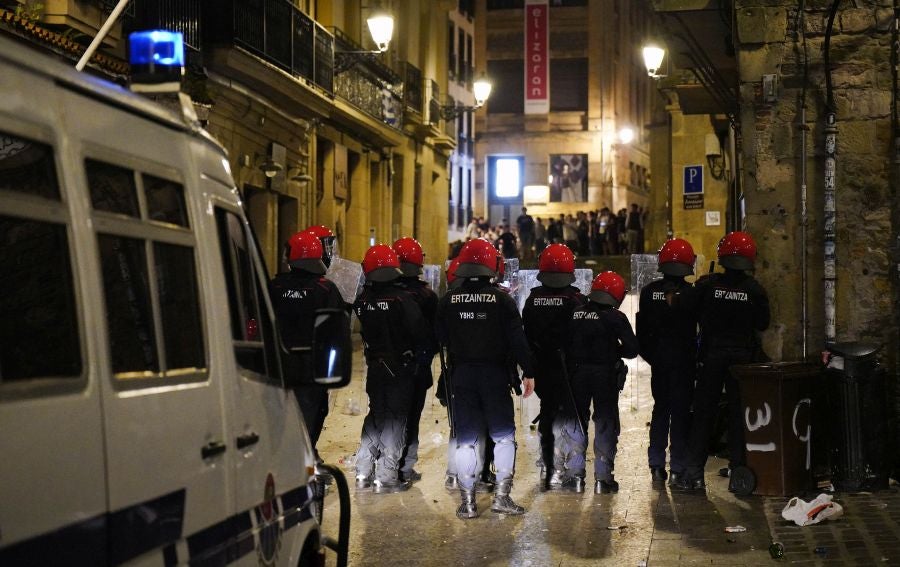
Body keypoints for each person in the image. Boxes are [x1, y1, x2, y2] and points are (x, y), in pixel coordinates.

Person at [436, 238, 536, 519]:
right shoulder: (502, 300)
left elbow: (439, 339)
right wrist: (529, 371)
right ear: (491, 264)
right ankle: (502, 497)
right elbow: (518, 340)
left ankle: (468, 503)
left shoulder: (448, 301)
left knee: (467, 438)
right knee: (503, 438)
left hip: (462, 375)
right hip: (495, 375)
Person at [673, 231, 770, 491]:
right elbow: (763, 323)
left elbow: (683, 309)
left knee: (704, 415)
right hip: (741, 360)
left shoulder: (708, 285)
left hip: (711, 357)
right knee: (739, 416)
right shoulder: (754, 290)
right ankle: (740, 476)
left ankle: (693, 474)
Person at [353, 244, 431, 493]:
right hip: (400, 367)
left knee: (376, 415)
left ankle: (363, 470)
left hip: (375, 366)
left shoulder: (363, 300)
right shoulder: (403, 299)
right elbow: (421, 333)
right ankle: (387, 475)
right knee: (396, 420)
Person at [270, 231, 346, 476]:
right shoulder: (326, 289)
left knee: (279, 419)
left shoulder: (274, 286)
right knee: (311, 416)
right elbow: (337, 328)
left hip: (278, 365)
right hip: (313, 368)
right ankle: (303, 468)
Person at [560, 271, 638, 494]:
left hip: (577, 375)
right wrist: (614, 350)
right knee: (605, 423)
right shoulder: (616, 318)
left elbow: (564, 344)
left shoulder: (575, 313)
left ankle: (574, 476)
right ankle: (603, 479)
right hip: (605, 375)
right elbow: (632, 349)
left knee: (577, 421)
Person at [522, 244, 587, 491]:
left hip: (542, 366)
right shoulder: (577, 300)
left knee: (548, 410)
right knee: (571, 414)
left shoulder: (532, 299)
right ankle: (573, 469)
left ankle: (548, 464)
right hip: (570, 368)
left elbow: (526, 334)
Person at [637, 238, 698, 486]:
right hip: (684, 362)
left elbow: (642, 332)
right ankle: (678, 468)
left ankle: (656, 465)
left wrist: (653, 357)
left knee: (661, 409)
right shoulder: (693, 295)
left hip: (660, 362)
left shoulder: (649, 292)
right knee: (681, 413)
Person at [438, 258, 498, 494]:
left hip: (457, 370)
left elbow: (440, 336)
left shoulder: (448, 301)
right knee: (482, 424)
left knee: (460, 423)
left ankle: (455, 474)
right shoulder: (495, 299)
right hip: (485, 372)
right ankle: (479, 473)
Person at [392, 237, 439, 484]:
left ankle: (383, 465)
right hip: (417, 367)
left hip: (386, 366)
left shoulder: (383, 292)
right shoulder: (427, 296)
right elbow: (434, 334)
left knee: (386, 414)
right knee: (411, 417)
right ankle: (405, 467)